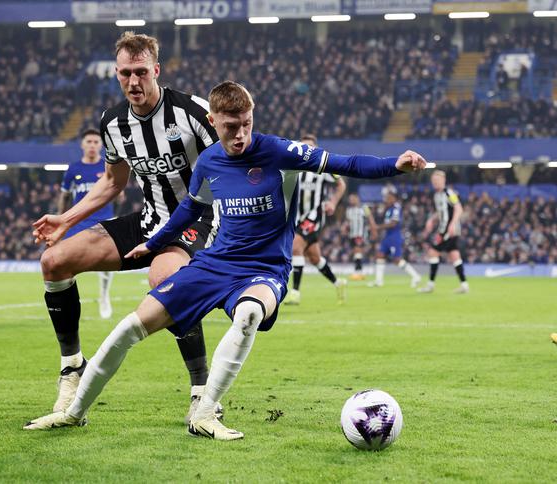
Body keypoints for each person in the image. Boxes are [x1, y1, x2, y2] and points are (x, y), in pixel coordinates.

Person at [24, 81, 428, 440]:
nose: (240, 135)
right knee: (132, 325)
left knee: (250, 312)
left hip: (265, 269)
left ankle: (204, 412)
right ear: (214, 121)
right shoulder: (209, 161)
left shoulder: (277, 150)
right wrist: (154, 243)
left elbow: (347, 163)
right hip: (215, 264)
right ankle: (73, 414)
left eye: (247, 123)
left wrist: (396, 165)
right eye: (231, 127)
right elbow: (186, 211)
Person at [32, 32, 221, 422]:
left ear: (156, 70)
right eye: (124, 74)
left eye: (140, 72)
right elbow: (113, 182)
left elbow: (234, 159)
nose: (133, 82)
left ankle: (203, 393)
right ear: (116, 74)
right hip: (150, 219)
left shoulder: (192, 112)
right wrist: (65, 219)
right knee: (55, 261)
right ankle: (72, 368)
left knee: (163, 276)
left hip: (200, 219)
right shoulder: (113, 123)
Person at [59, 128, 117, 319]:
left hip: (104, 220)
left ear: (101, 145)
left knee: (108, 263)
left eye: (95, 142)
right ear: (82, 144)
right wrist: (61, 221)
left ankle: (104, 296)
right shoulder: (73, 169)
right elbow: (65, 196)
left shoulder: (107, 166)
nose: (92, 145)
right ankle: (66, 301)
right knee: (66, 262)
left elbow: (119, 192)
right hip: (79, 222)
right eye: (89, 142)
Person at [285, 133, 347, 305]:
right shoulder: (293, 167)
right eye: (304, 146)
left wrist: (333, 202)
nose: (307, 150)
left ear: (316, 149)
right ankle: (338, 283)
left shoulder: (323, 167)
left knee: (296, 246)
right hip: (297, 216)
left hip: (315, 215)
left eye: (310, 147)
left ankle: (295, 293)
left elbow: (341, 184)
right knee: (314, 257)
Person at [418, 170, 469, 294]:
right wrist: (431, 219)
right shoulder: (437, 195)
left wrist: (452, 224)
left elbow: (458, 208)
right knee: (454, 256)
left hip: (447, 229)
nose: (435, 183)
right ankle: (464, 285)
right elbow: (441, 212)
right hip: (445, 228)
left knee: (433, 252)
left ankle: (430, 285)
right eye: (433, 181)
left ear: (443, 180)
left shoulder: (449, 193)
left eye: (437, 180)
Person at [369, 186, 421, 288]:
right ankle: (379, 281)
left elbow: (393, 223)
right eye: (386, 198)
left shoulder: (396, 208)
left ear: (394, 198)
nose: (386, 200)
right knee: (380, 255)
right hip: (387, 236)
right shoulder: (389, 209)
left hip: (394, 237)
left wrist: (378, 227)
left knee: (396, 259)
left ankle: (416, 276)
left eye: (389, 198)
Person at [345, 193, 376, 280]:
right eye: (350, 199)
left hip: (360, 234)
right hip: (352, 234)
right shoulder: (348, 210)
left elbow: (371, 219)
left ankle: (358, 272)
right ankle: (360, 271)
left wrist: (374, 231)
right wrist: (345, 227)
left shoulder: (364, 208)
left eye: (352, 198)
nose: (351, 200)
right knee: (356, 252)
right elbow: (348, 222)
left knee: (357, 250)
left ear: (357, 198)